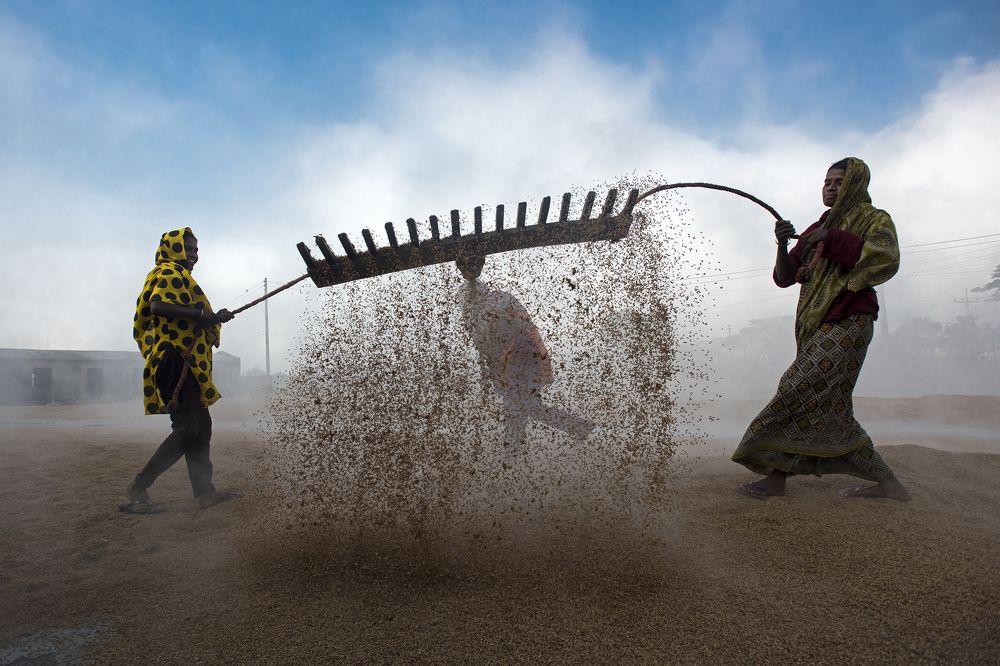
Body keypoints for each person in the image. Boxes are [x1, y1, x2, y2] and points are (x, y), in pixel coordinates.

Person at [732, 157, 911, 501]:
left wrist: (834, 237)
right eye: (827, 181)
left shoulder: (874, 219)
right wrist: (783, 244)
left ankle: (775, 477)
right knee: (827, 407)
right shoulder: (818, 227)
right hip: (818, 325)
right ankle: (886, 483)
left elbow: (885, 256)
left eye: (840, 182)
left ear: (857, 185)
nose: (831, 187)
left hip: (850, 319)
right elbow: (785, 277)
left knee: (796, 387)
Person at [122, 228, 241, 511]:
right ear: (173, 249)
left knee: (201, 427)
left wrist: (213, 318)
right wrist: (201, 314)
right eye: (188, 249)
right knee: (188, 428)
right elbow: (158, 305)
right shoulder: (167, 272)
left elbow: (184, 315)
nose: (194, 255)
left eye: (196, 250)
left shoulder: (182, 278)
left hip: (184, 361)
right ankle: (138, 486)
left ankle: (205, 492)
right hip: (174, 360)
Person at [456, 255, 594, 459]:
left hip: (521, 358)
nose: (465, 307)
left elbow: (520, 327)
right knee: (520, 407)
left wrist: (503, 360)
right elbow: (487, 346)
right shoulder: (484, 309)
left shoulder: (494, 304)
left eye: (465, 304)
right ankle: (513, 453)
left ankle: (513, 454)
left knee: (521, 407)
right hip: (519, 359)